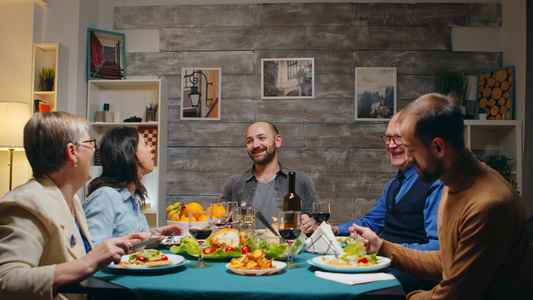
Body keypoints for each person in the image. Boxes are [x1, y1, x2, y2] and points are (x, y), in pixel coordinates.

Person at [351, 93, 533, 299]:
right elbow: (446, 261)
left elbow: (453, 296)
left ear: (438, 147)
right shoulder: (453, 183)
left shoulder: (488, 204)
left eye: (412, 149)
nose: (408, 157)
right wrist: (382, 247)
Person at [0, 112, 149, 300]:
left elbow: (78, 255)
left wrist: (121, 243)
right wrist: (87, 263)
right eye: (90, 144)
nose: (95, 151)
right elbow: (6, 281)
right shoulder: (26, 202)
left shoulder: (72, 201)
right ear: (72, 152)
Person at [302, 113, 443, 293]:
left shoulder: (437, 183)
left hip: (411, 272)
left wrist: (383, 248)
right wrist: (336, 230)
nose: (391, 145)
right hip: (383, 261)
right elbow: (371, 222)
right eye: (388, 138)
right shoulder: (394, 184)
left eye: (398, 138)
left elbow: (436, 249)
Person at [84, 127, 182, 246]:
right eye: (146, 145)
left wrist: (156, 233)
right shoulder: (104, 196)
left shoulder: (133, 197)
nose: (151, 149)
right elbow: (93, 250)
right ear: (129, 152)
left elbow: (134, 243)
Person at [220, 121, 319, 228]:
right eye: (250, 141)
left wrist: (311, 224)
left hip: (289, 244)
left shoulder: (301, 181)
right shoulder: (234, 183)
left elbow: (318, 223)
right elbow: (220, 225)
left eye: (261, 138)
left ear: (277, 141)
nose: (255, 145)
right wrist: (226, 221)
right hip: (247, 245)